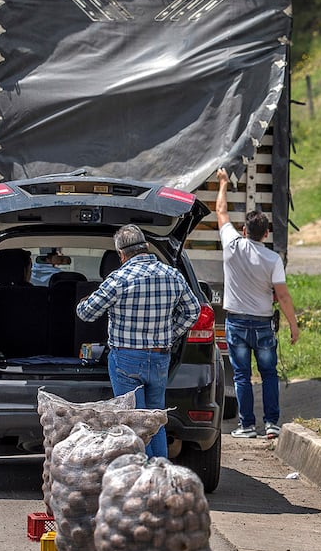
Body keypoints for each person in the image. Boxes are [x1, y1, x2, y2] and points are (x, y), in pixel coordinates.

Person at [75, 224, 201, 457]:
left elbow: (86, 313)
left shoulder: (119, 279)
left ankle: (141, 478)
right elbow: (194, 311)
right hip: (161, 357)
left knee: (133, 422)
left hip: (126, 359)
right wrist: (169, 335)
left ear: (121, 254)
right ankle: (159, 475)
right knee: (154, 419)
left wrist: (85, 299)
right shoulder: (172, 275)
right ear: (146, 247)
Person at [215, 168, 300, 441]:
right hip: (263, 324)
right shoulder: (273, 260)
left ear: (244, 231)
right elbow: (283, 296)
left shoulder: (231, 245)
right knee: (269, 375)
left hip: (236, 322)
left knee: (242, 376)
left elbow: (220, 212)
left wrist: (223, 183)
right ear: (266, 234)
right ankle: (272, 424)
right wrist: (293, 325)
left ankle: (247, 425)